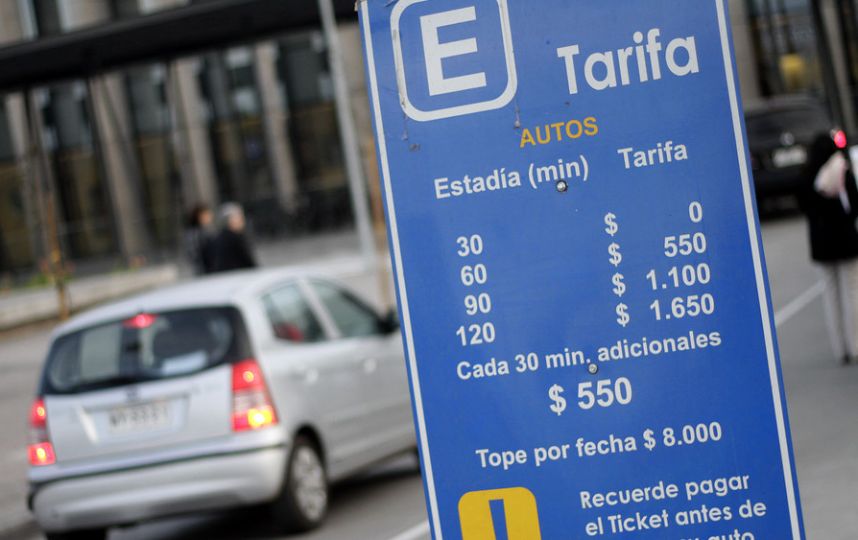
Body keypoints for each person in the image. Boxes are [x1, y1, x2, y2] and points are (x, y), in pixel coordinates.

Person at [798, 133, 858, 364]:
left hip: (821, 244)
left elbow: (803, 206)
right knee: (852, 292)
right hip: (846, 240)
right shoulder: (841, 169)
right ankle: (855, 344)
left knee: (831, 296)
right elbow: (854, 204)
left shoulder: (807, 174)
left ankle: (839, 348)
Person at [213, 203, 258, 273]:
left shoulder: (219, 237)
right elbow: (248, 262)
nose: (242, 221)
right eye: (239, 217)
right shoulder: (235, 238)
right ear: (231, 220)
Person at [184, 204, 216, 275]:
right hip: (204, 271)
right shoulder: (195, 234)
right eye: (207, 215)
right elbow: (194, 254)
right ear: (199, 216)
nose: (210, 217)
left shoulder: (206, 231)